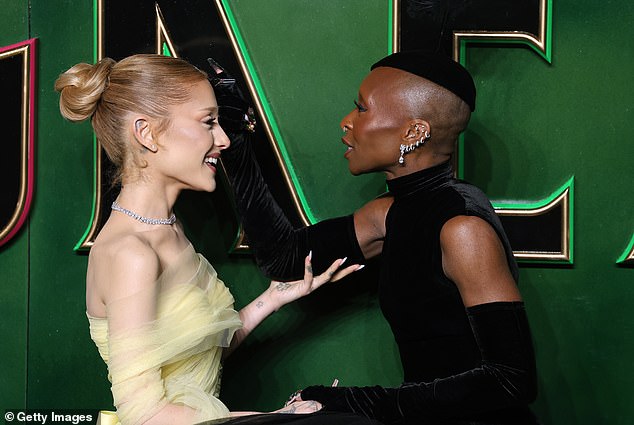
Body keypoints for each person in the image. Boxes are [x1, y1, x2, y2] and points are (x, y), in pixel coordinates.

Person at [217, 50, 539, 425]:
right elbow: (286, 258)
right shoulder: (389, 213)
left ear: (414, 132)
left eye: (362, 109)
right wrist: (236, 143)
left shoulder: (462, 227)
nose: (346, 122)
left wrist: (360, 401)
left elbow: (512, 381)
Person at [54, 54, 374, 425]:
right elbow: (145, 415)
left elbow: (195, 359)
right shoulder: (132, 254)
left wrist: (273, 298)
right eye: (208, 122)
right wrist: (278, 418)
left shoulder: (167, 227)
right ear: (147, 133)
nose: (223, 139)